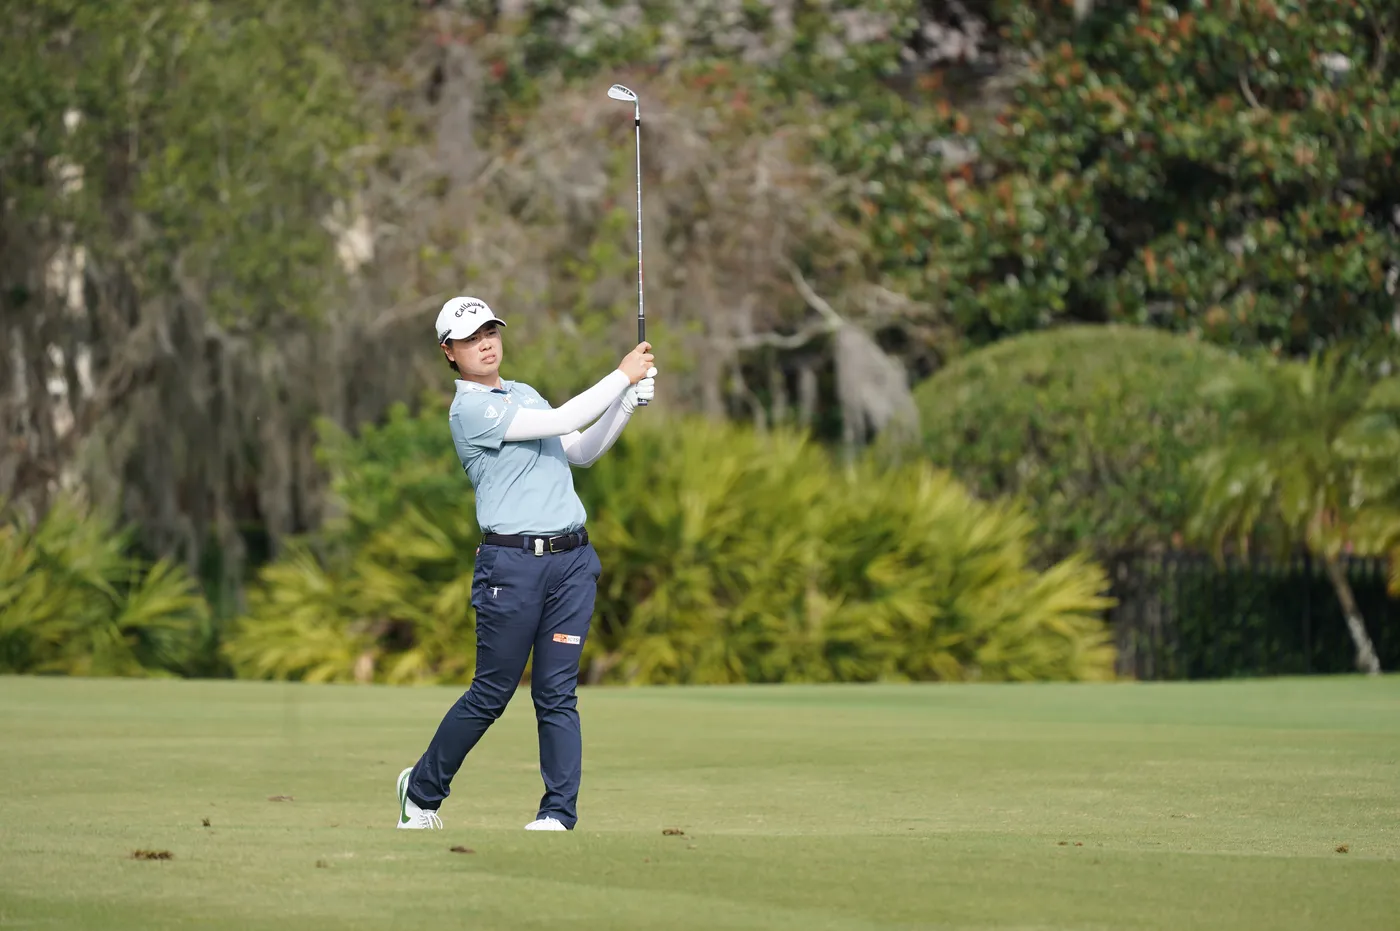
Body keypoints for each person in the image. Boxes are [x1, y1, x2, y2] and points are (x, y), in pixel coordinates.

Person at [395, 295, 656, 832]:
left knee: (557, 692)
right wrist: (622, 377)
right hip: (511, 566)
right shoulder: (469, 410)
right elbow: (564, 417)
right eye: (470, 339)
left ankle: (558, 813)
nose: (485, 344)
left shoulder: (525, 393)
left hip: (572, 563)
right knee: (492, 692)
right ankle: (420, 792)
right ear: (449, 353)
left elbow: (579, 450)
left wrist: (627, 403)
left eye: (490, 332)